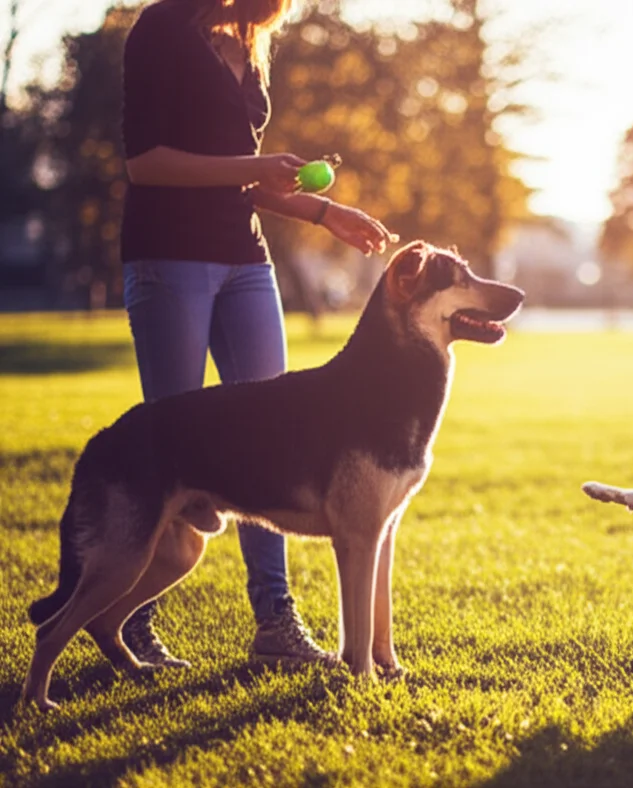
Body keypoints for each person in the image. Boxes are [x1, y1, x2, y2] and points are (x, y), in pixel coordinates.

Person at [119, 0, 393, 667]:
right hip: (169, 257)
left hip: (245, 262)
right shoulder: (162, 27)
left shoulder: (247, 39)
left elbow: (246, 180)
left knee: (274, 433)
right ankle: (134, 619)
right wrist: (252, 167)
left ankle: (275, 621)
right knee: (173, 441)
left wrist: (326, 212)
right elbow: (145, 163)